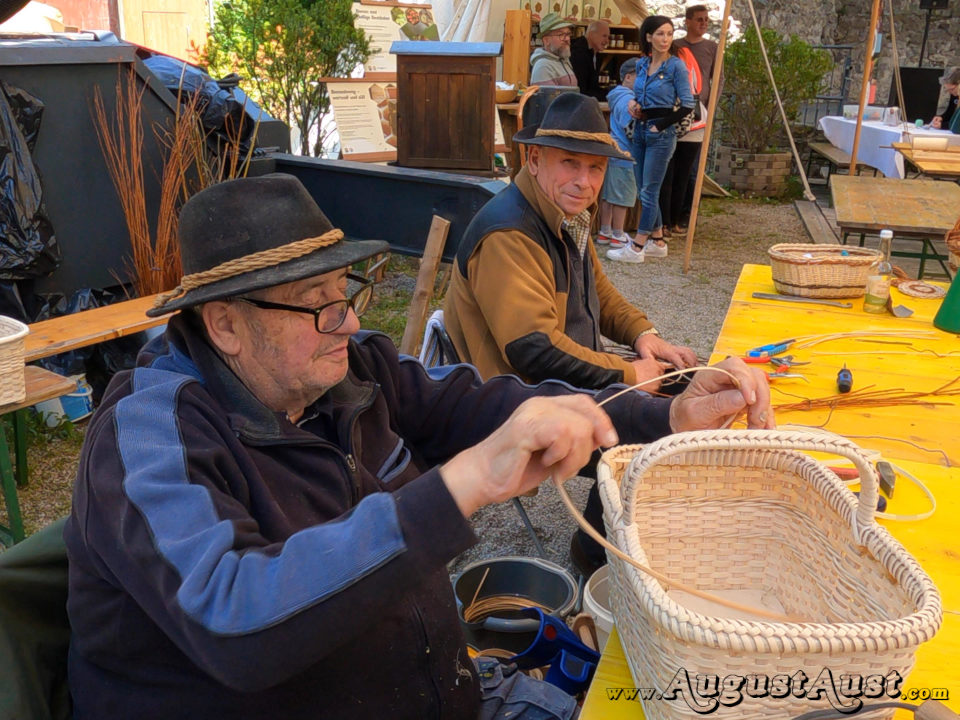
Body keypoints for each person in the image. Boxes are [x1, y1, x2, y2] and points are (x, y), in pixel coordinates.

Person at [64, 173, 773, 719]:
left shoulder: (350, 368)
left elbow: (485, 406)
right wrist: (459, 486)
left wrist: (669, 413)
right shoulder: (147, 439)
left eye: (347, 291)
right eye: (319, 303)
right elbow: (234, 618)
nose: (345, 323)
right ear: (223, 324)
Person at [607, 15, 694, 264]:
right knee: (642, 189)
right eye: (660, 34)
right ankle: (657, 240)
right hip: (641, 129)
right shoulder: (643, 65)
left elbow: (688, 104)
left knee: (650, 191)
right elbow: (639, 93)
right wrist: (635, 103)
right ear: (648, 37)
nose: (665, 39)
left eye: (669, 33)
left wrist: (662, 125)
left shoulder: (675, 66)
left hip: (661, 134)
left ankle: (637, 246)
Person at [673, 4, 724, 230]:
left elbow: (718, 78)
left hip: (699, 111)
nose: (704, 23)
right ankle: (671, 213)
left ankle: (687, 212)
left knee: (693, 166)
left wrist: (711, 106)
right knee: (674, 163)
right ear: (688, 22)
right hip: (675, 111)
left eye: (706, 20)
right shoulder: (676, 46)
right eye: (700, 19)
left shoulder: (712, 47)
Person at [658, 44, 703, 236]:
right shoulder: (687, 55)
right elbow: (699, 86)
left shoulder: (671, 63)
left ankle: (666, 223)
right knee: (680, 177)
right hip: (695, 123)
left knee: (667, 176)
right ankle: (672, 222)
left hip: (679, 122)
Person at [596, 57, 639, 250]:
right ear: (628, 77)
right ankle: (618, 234)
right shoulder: (628, 101)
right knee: (622, 197)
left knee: (609, 195)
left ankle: (605, 231)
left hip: (613, 151)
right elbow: (630, 129)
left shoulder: (616, 96)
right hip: (625, 154)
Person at [530, 12, 578, 87]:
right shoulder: (543, 66)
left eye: (568, 34)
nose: (567, 39)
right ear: (546, 40)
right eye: (560, 35)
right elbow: (549, 98)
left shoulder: (564, 60)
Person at [571, 20, 610, 100]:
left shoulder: (595, 54)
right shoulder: (579, 53)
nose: (607, 41)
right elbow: (581, 90)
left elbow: (592, 87)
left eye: (608, 37)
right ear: (591, 35)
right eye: (604, 36)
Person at [931, 66, 960, 133]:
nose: (950, 92)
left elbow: (956, 125)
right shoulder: (954, 94)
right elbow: (951, 110)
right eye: (947, 90)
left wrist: (943, 125)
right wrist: (942, 118)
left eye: (951, 89)